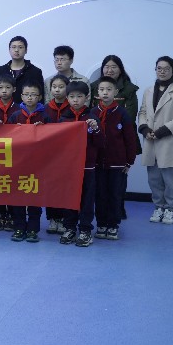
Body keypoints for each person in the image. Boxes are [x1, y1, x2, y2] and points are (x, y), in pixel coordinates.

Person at [138, 56, 173, 225]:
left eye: (166, 68)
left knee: (171, 180)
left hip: (169, 141)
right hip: (151, 140)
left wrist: (162, 131)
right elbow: (143, 112)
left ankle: (170, 209)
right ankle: (159, 207)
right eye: (159, 68)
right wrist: (145, 129)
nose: (162, 71)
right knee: (154, 179)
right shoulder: (148, 91)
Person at [90, 55, 140, 219]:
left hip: (118, 149)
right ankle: (103, 221)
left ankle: (115, 217)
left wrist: (129, 160)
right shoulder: (93, 94)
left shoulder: (128, 92)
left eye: (114, 67)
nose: (109, 70)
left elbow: (130, 120)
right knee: (100, 191)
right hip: (99, 155)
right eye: (106, 66)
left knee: (117, 189)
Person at [59, 81, 104, 247]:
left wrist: (96, 129)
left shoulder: (92, 118)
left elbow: (100, 144)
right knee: (69, 198)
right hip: (69, 167)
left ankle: (85, 230)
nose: (75, 100)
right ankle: (69, 228)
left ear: (87, 97)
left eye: (79, 96)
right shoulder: (64, 118)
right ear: (67, 98)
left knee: (87, 200)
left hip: (87, 167)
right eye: (72, 96)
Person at [6, 79, 46, 243]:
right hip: (18, 164)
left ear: (40, 97)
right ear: (21, 96)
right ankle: (19, 227)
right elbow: (6, 137)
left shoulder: (45, 116)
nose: (30, 97)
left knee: (35, 198)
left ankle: (33, 229)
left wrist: (43, 130)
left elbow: (54, 138)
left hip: (38, 164)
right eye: (26, 94)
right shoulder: (15, 115)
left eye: (33, 95)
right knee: (18, 197)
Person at [0, 74, 17, 232]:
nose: (4, 91)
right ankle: (0, 216)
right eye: (1, 88)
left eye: (8, 88)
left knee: (12, 184)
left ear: (14, 89)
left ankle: (12, 216)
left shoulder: (19, 108)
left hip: (14, 153)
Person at [43, 74, 70, 235]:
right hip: (50, 155)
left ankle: (65, 219)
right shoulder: (45, 108)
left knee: (65, 187)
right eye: (54, 87)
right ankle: (53, 218)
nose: (57, 90)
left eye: (61, 87)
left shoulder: (72, 107)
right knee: (51, 187)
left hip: (67, 155)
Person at [0, 36, 44, 105]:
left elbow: (40, 96)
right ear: (9, 50)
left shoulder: (35, 72)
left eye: (20, 47)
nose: (16, 50)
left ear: (26, 50)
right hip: (3, 110)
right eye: (13, 47)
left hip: (28, 110)